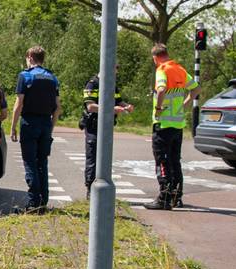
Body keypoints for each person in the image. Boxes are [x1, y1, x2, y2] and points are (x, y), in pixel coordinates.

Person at [145, 43, 199, 210]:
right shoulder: (180, 70)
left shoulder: (162, 70)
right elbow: (196, 89)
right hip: (178, 124)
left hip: (163, 124)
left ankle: (164, 198)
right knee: (175, 161)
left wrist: (158, 109)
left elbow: (161, 90)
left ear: (155, 57)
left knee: (162, 160)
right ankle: (177, 197)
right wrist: (185, 103)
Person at [10, 46, 60, 212]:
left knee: (30, 163)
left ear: (30, 57)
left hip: (29, 122)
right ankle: (43, 202)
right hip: (46, 123)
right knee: (42, 163)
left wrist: (13, 127)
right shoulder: (52, 78)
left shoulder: (25, 76)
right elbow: (57, 108)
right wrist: (51, 127)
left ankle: (33, 204)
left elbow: (19, 104)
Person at [81, 65, 133, 196]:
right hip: (94, 126)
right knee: (93, 157)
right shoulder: (92, 84)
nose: (115, 76)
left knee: (105, 156)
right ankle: (90, 188)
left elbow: (119, 101)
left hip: (107, 126)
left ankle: (103, 184)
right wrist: (112, 109)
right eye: (113, 73)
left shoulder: (112, 85)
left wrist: (126, 106)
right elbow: (90, 106)